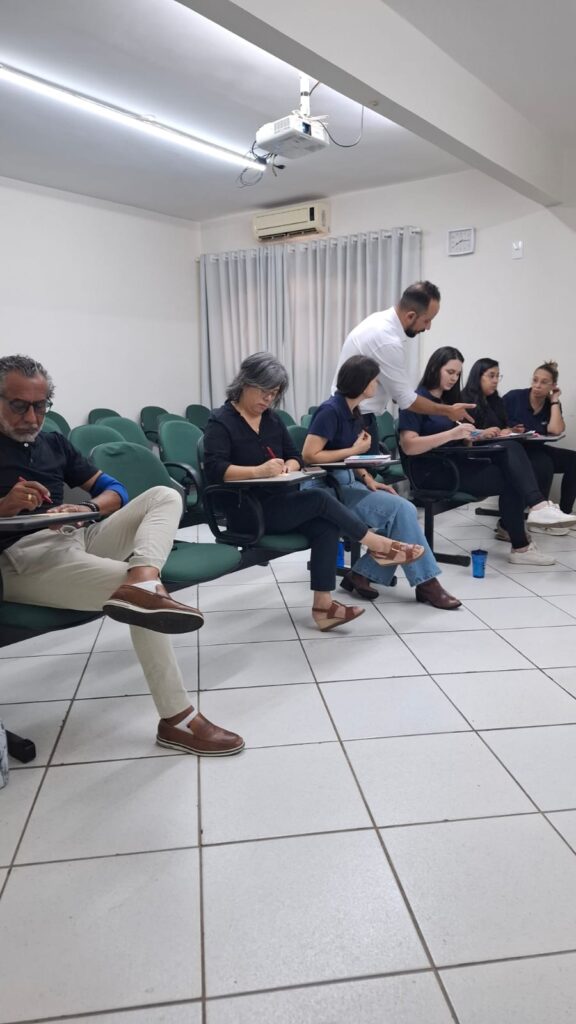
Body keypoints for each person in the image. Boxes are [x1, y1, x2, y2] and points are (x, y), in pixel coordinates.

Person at [0, 354, 243, 756]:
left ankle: (143, 576)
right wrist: (5, 507)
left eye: (40, 406)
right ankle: (177, 719)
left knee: (163, 495)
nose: (31, 417)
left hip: (72, 536)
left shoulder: (52, 443)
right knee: (144, 603)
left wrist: (86, 507)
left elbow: (116, 490)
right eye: (18, 406)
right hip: (20, 558)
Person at [203, 352, 424, 631]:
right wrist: (257, 471)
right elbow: (216, 469)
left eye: (274, 394)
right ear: (245, 383)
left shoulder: (271, 420)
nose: (268, 399)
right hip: (245, 510)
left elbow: (296, 456)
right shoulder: (221, 421)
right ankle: (378, 545)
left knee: (325, 525)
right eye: (263, 391)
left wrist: (289, 465)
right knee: (319, 498)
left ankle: (323, 607)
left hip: (278, 502)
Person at [302, 355, 461, 609]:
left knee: (402, 511)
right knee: (402, 511)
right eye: (375, 380)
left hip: (349, 483)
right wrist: (354, 449)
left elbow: (350, 456)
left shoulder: (353, 411)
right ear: (363, 382)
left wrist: (368, 479)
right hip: (328, 490)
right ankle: (427, 583)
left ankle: (362, 574)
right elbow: (309, 455)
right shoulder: (330, 410)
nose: (377, 385)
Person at [398, 348, 576, 566]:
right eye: (450, 372)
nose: (454, 378)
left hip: (455, 463)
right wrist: (452, 434)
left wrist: (477, 434)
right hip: (431, 472)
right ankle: (532, 522)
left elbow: (461, 438)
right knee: (513, 472)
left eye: (458, 374)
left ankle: (530, 525)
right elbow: (409, 446)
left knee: (511, 456)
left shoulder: (449, 401)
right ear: (435, 368)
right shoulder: (415, 401)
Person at [333, 281, 475, 451]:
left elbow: (398, 393)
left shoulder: (380, 322)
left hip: (358, 415)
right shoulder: (385, 339)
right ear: (410, 316)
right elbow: (406, 400)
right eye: (427, 321)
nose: (428, 327)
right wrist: (448, 411)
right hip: (354, 418)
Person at [460, 358, 560, 540]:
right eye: (491, 376)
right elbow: (461, 433)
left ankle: (521, 522)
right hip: (476, 455)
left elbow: (502, 426)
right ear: (478, 376)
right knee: (515, 466)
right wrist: (482, 433)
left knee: (538, 462)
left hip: (496, 451)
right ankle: (534, 509)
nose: (495, 381)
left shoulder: (495, 400)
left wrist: (509, 430)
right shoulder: (465, 400)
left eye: (498, 376)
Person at [504, 361, 576, 521]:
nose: (537, 385)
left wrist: (555, 400)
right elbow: (494, 422)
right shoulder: (514, 397)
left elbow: (555, 430)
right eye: (535, 380)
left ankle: (564, 513)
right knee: (544, 463)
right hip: (516, 450)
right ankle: (540, 514)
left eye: (544, 382)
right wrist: (509, 429)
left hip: (537, 448)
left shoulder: (551, 404)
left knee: (573, 460)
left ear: (553, 386)